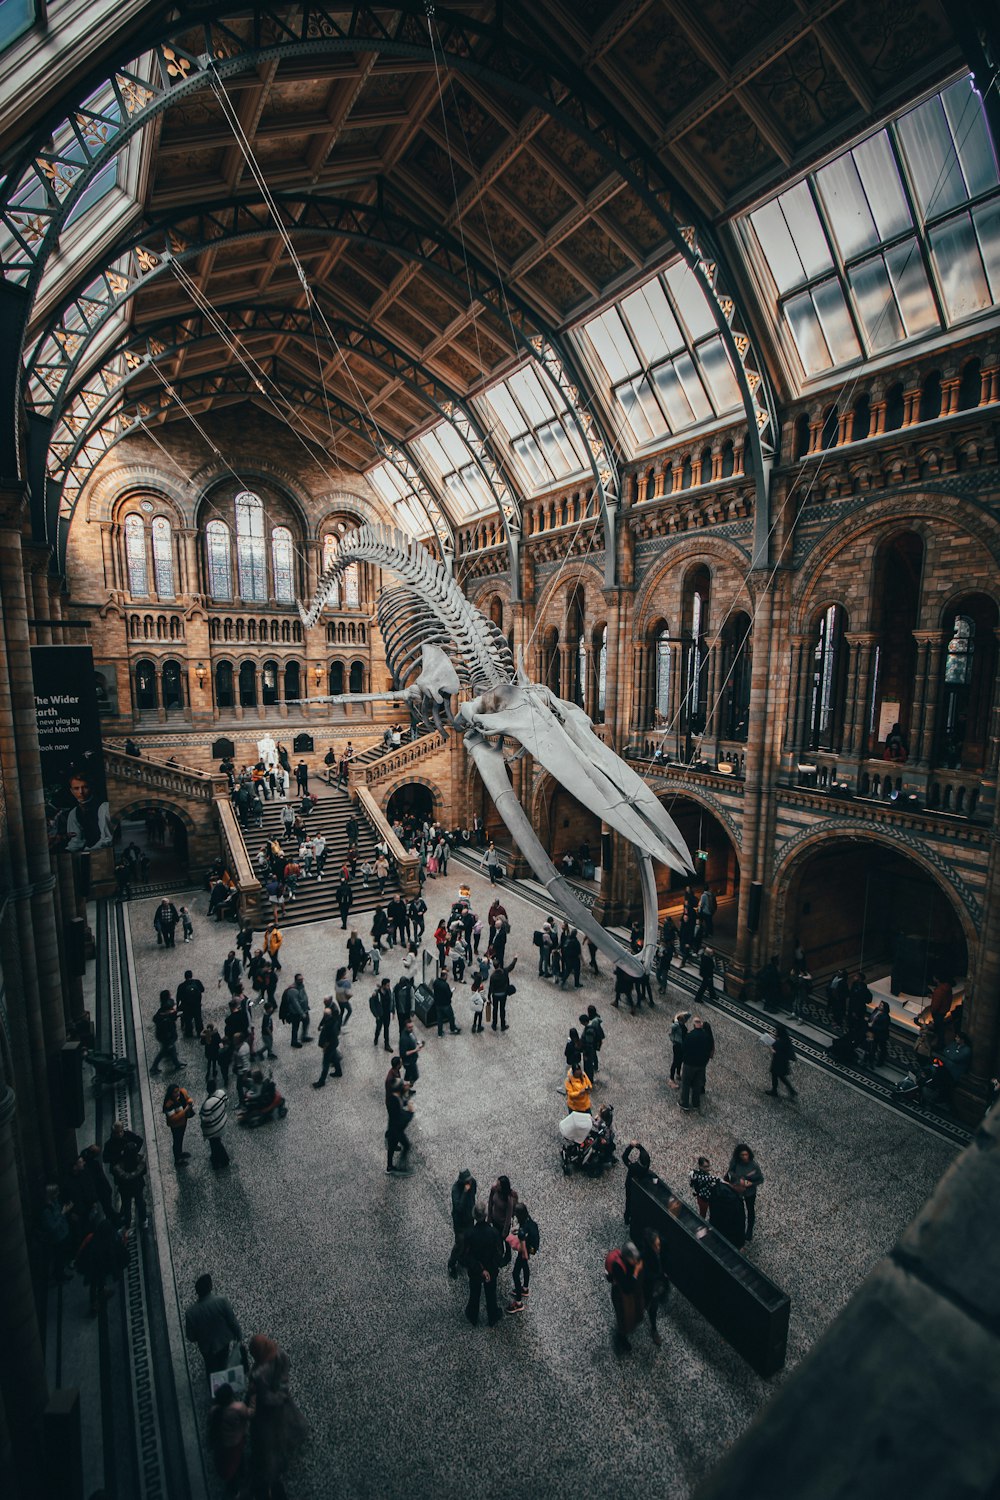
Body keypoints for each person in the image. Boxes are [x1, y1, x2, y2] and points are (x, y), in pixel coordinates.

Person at [246, 1335, 307, 1497]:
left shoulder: (258, 1373)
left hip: (269, 1411)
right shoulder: (280, 1355)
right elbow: (283, 1382)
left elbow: (266, 1397)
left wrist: (255, 1393)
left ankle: (271, 1468)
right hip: (281, 1402)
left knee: (268, 1439)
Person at [184, 1273, 244, 1380]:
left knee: (210, 1368)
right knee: (223, 1362)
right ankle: (226, 1386)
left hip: (207, 1347)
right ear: (210, 1287)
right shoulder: (222, 1301)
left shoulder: (190, 1313)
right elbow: (232, 1321)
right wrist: (239, 1336)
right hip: (223, 1341)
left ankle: (214, 1390)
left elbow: (190, 1337)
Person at [465, 1202, 503, 1327]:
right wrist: (490, 1268)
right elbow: (499, 1253)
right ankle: (492, 1316)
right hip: (491, 1269)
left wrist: (480, 1269)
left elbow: (467, 1256)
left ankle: (472, 1315)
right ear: (486, 1215)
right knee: (491, 1293)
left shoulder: (470, 1234)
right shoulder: (493, 1232)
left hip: (476, 1270)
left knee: (475, 1293)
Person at [206, 1383, 250, 1490]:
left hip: (223, 1445)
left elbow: (210, 1425)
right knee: (239, 1458)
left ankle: (233, 1486)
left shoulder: (214, 1411)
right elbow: (247, 1417)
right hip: (237, 1441)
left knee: (228, 1467)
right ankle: (242, 1472)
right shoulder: (238, 1408)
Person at [605, 1241, 643, 1352]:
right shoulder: (618, 1266)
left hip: (629, 1293)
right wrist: (636, 1273)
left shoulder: (628, 1261)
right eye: (633, 1260)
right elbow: (626, 1288)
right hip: (620, 1295)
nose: (636, 1262)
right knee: (623, 1317)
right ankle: (621, 1338)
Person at [638, 1227, 669, 1346]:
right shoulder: (643, 1258)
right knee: (643, 1306)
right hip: (647, 1289)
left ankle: (653, 1328)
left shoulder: (660, 1252)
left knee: (653, 1309)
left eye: (659, 1244)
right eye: (656, 1246)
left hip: (655, 1289)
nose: (658, 1248)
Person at [727, 1143, 764, 1243]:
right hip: (738, 1191)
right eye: (742, 1155)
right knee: (739, 1212)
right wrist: (738, 1181)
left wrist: (751, 1183)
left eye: (746, 1154)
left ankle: (749, 1231)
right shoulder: (735, 1163)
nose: (744, 1157)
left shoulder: (753, 1165)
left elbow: (760, 1179)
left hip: (750, 1192)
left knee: (750, 1210)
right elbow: (729, 1174)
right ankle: (739, 1230)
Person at [508, 1201, 540, 1313]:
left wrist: (515, 1239)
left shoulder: (522, 1232)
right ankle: (525, 1288)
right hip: (532, 1246)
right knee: (525, 1266)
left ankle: (518, 1303)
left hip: (526, 1249)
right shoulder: (528, 1220)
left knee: (515, 1273)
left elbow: (524, 1253)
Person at [448, 1168, 477, 1278]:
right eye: (467, 1181)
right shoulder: (455, 1189)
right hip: (460, 1223)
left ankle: (463, 1259)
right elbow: (458, 1207)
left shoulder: (472, 1182)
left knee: (468, 1241)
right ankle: (451, 1264)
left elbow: (473, 1195)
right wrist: (465, 1192)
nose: (470, 1182)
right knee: (459, 1244)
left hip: (469, 1218)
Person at [679, 1016, 712, 1111]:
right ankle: (696, 1103)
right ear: (701, 1025)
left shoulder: (690, 1036)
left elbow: (683, 1048)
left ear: (694, 1025)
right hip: (701, 1065)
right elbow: (709, 1049)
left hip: (689, 1063)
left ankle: (684, 1103)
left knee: (686, 1083)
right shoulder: (707, 1037)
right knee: (697, 1084)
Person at [112, 1145, 148, 1230]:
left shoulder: (120, 1162)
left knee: (126, 1207)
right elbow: (144, 1171)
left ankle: (127, 1224)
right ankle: (143, 1220)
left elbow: (117, 1178)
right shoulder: (139, 1160)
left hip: (125, 1189)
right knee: (140, 1203)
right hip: (137, 1186)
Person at [707, 1177, 748, 1250]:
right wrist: (740, 1244)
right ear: (735, 1185)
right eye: (743, 1187)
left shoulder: (716, 1189)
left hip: (716, 1228)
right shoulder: (736, 1203)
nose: (745, 1189)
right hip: (730, 1236)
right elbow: (739, 1224)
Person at [487, 1174, 518, 1264]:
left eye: (499, 1184)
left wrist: (505, 1230)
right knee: (498, 1239)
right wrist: (489, 1217)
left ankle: (508, 1256)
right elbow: (490, 1203)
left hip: (503, 1223)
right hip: (495, 1220)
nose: (496, 1185)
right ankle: (500, 1253)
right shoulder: (494, 1190)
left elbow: (508, 1216)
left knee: (505, 1240)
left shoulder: (508, 1199)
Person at [150, 991, 183, 1075]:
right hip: (166, 1036)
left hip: (166, 1035)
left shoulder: (162, 1013)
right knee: (163, 1051)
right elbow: (169, 1023)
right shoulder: (164, 1017)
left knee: (172, 1049)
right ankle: (154, 1067)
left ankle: (177, 1064)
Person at [313, 999, 343, 1087]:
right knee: (334, 1057)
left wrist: (324, 1047)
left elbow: (326, 1038)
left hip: (329, 1046)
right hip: (334, 1043)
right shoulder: (334, 1021)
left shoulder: (327, 1027)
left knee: (325, 1063)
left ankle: (321, 1081)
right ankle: (338, 1071)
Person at [386, 1078, 413, 1173]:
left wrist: (406, 1101)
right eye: (403, 1084)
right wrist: (411, 1112)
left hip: (394, 1129)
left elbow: (401, 1101)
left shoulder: (396, 1096)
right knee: (406, 1145)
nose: (405, 1084)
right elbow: (401, 1119)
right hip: (396, 1130)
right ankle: (400, 1167)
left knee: (392, 1147)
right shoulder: (394, 1102)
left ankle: (389, 1167)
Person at [163, 1082, 194, 1163]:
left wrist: (190, 1101)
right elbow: (173, 1118)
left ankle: (180, 1153)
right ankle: (177, 1159)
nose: (177, 1093)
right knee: (177, 1141)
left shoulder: (182, 1092)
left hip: (183, 1123)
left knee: (180, 1139)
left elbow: (188, 1098)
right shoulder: (169, 1104)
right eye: (175, 1092)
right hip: (176, 1126)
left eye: (177, 1091)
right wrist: (185, 1110)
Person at [200, 1089, 231, 1169]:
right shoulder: (221, 1093)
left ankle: (223, 1160)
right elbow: (227, 1103)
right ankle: (215, 1158)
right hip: (221, 1123)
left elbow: (205, 1118)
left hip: (213, 1129)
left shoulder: (207, 1104)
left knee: (215, 1144)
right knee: (216, 1142)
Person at [279, 973, 311, 1048]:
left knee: (306, 1022)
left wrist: (306, 1006)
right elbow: (295, 1004)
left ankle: (304, 1036)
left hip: (304, 1009)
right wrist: (302, 1013)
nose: (301, 980)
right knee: (295, 1027)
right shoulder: (292, 990)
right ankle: (294, 1041)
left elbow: (303, 997)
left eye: (302, 979)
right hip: (295, 1013)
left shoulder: (301, 986)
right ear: (296, 980)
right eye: (300, 979)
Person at [767, 1022, 797, 1098]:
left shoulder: (780, 1042)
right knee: (781, 1076)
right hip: (783, 1062)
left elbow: (775, 1050)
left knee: (775, 1075)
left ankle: (774, 1091)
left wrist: (771, 1048)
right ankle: (791, 1090)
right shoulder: (786, 1039)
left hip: (778, 1061)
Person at [488, 955, 517, 1032]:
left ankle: (494, 1025)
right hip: (503, 994)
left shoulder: (493, 976)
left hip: (495, 995)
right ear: (499, 965)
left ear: (494, 967)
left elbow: (490, 987)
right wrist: (515, 958)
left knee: (495, 1009)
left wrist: (489, 996)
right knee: (502, 1009)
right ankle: (503, 1025)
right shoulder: (504, 972)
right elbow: (511, 966)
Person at [177, 970, 205, 1038]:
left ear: (185, 977)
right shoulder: (197, 982)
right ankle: (199, 1032)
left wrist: (178, 1006)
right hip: (197, 1005)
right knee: (198, 1019)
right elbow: (202, 989)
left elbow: (178, 997)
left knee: (188, 1020)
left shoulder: (181, 985)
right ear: (191, 975)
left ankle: (189, 1033)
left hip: (187, 1006)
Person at [866, 999, 891, 1068]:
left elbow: (883, 1028)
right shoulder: (876, 1010)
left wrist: (872, 1026)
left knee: (882, 1048)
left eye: (882, 1005)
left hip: (881, 1035)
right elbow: (872, 1017)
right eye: (880, 1004)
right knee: (873, 1047)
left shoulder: (886, 1017)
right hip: (873, 1032)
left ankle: (880, 1061)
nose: (880, 1006)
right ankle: (870, 1060)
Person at [371, 977, 394, 1051]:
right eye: (387, 985)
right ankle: (376, 1038)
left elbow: (392, 1000)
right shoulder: (377, 994)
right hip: (380, 1015)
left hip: (387, 1014)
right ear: (383, 985)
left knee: (386, 1029)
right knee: (379, 1028)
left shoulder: (389, 991)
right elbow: (372, 1004)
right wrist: (376, 1015)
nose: (389, 987)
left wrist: (392, 1010)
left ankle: (386, 1044)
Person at [669, 1011, 689, 1088]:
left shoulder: (682, 1025)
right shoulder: (677, 1026)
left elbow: (689, 1014)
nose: (685, 1020)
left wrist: (680, 1013)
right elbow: (673, 1026)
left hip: (682, 1045)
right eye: (683, 1019)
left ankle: (678, 1074)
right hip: (677, 1045)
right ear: (680, 1020)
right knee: (675, 1061)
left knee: (680, 1060)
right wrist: (676, 1018)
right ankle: (671, 1078)